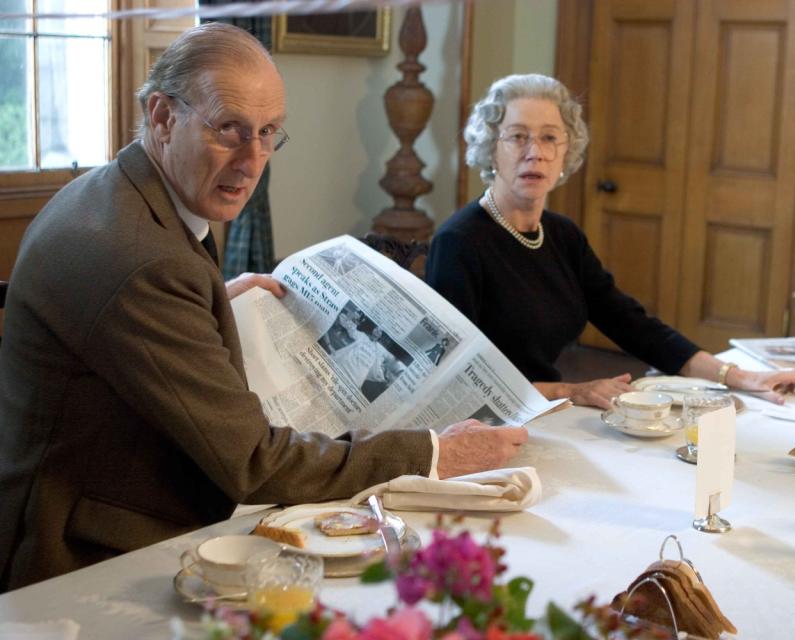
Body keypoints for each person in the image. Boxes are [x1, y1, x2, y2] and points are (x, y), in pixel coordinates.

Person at [0, 24, 526, 592]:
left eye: (269, 132)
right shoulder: (140, 259)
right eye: (229, 129)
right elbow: (253, 462)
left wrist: (209, 303)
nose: (253, 160)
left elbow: (115, 326)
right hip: (78, 559)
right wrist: (432, 453)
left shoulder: (121, 194)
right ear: (161, 117)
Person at [426, 74, 795, 410]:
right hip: (489, 420)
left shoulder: (562, 236)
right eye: (517, 137)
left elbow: (634, 326)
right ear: (490, 148)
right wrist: (571, 391)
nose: (536, 154)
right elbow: (454, 382)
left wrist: (743, 378)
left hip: (549, 412)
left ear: (567, 152)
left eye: (550, 138)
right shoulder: (460, 243)